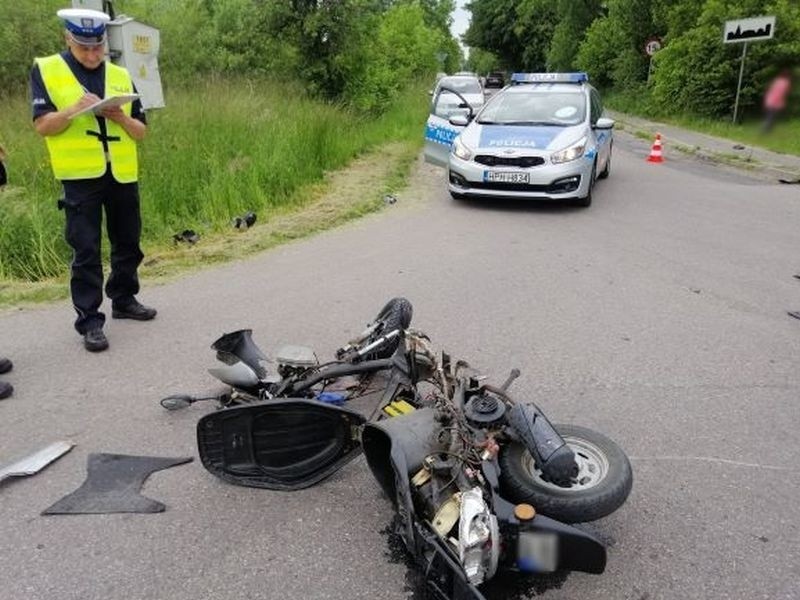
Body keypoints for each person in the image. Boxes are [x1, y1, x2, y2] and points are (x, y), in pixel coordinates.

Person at [31, 8, 156, 353]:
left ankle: (125, 298)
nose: (91, 54)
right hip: (80, 177)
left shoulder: (119, 74)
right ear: (67, 39)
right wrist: (73, 110)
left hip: (121, 172)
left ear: (104, 44)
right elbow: (42, 126)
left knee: (128, 241)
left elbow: (141, 131)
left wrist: (118, 116)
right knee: (86, 249)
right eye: (83, 47)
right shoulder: (47, 69)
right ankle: (89, 321)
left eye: (97, 47)